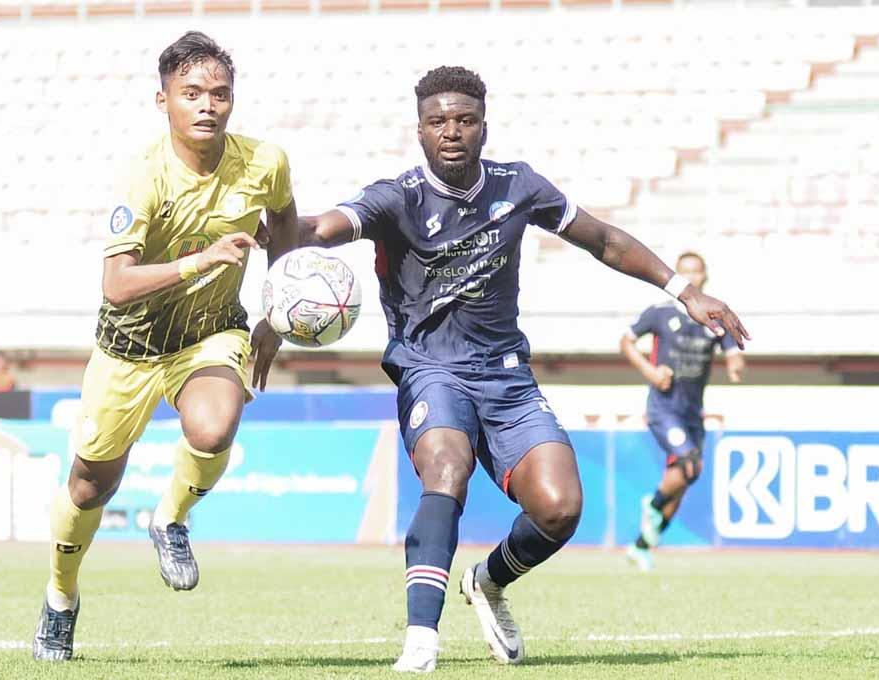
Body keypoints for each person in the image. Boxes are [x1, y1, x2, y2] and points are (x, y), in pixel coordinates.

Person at [298, 66, 748, 672]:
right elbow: (320, 228)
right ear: (420, 130)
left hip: (506, 375)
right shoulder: (396, 197)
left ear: (484, 128)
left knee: (560, 508)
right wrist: (271, 229)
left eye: (465, 120)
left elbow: (604, 240)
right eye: (437, 121)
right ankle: (421, 639)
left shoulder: (518, 186)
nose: (451, 131)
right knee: (447, 470)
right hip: (431, 368)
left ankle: (487, 581)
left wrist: (683, 290)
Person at [32, 31, 297, 662]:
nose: (207, 105)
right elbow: (116, 284)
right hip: (129, 345)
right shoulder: (143, 174)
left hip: (211, 331)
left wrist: (275, 312)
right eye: (192, 93)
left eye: (219, 94)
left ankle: (170, 519)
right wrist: (201, 260)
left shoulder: (265, 161)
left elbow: (286, 220)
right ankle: (61, 597)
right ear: (164, 101)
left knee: (215, 426)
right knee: (90, 487)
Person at [621, 251, 746, 572]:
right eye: (685, 271)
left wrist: (735, 362)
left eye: (696, 271)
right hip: (664, 408)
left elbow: (732, 349)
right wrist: (650, 373)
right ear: (676, 276)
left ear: (705, 276)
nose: (691, 277)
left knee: (686, 477)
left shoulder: (713, 319)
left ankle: (641, 546)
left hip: (692, 412)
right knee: (689, 463)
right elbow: (626, 342)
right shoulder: (659, 313)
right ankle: (652, 505)